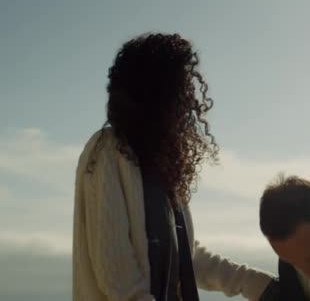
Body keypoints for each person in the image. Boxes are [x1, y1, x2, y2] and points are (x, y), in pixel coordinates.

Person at [73, 33, 275, 301]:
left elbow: (186, 257)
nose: (187, 103)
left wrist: (261, 286)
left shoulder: (159, 164)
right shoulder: (107, 152)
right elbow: (117, 276)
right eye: (180, 91)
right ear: (155, 93)